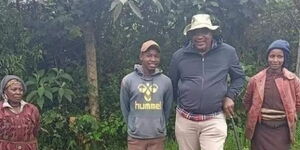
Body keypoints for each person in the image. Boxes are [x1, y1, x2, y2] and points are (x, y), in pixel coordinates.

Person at [169, 14, 245, 150]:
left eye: (204, 32)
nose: (199, 36)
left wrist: (230, 96)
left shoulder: (227, 52)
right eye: (195, 33)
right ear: (190, 35)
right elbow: (172, 85)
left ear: (212, 33)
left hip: (214, 119)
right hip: (185, 119)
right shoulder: (179, 56)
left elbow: (239, 78)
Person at [243, 40, 300, 150]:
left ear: (284, 59)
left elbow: (298, 104)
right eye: (272, 56)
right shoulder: (256, 80)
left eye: (280, 57)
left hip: (282, 130)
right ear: (267, 57)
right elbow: (247, 101)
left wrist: (291, 115)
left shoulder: (293, 80)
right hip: (260, 129)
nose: (275, 60)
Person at [120, 40, 173, 150]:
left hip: (158, 137)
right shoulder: (128, 80)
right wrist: (133, 126)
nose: (153, 59)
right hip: (136, 138)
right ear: (141, 56)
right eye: (149, 56)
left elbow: (167, 109)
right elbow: (125, 108)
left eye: (156, 56)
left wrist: (160, 125)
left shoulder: (166, 82)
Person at [0, 75, 40, 150]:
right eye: (14, 89)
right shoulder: (1, 110)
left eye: (21, 90)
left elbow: (36, 131)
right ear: (5, 91)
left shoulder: (32, 110)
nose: (18, 92)